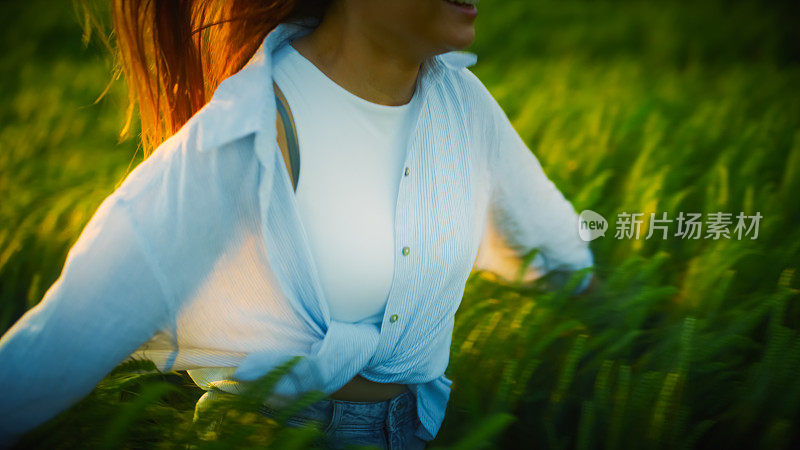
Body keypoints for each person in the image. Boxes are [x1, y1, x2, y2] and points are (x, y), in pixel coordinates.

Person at [0, 0, 595, 448]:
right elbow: (67, 334)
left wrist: (650, 334)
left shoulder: (463, 108)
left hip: (415, 431)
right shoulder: (251, 130)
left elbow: (553, 252)